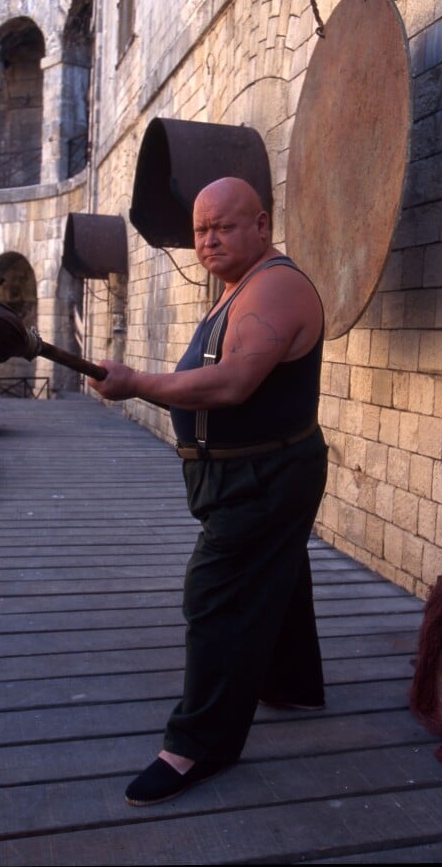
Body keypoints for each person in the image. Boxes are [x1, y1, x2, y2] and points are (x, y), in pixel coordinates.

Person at [89, 176, 328, 806]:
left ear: (262, 225)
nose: (209, 239)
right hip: (248, 474)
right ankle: (295, 683)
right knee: (278, 563)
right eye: (200, 229)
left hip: (262, 476)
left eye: (223, 225)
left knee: (216, 596)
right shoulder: (237, 289)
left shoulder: (274, 286)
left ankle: (198, 746)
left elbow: (232, 386)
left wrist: (138, 381)